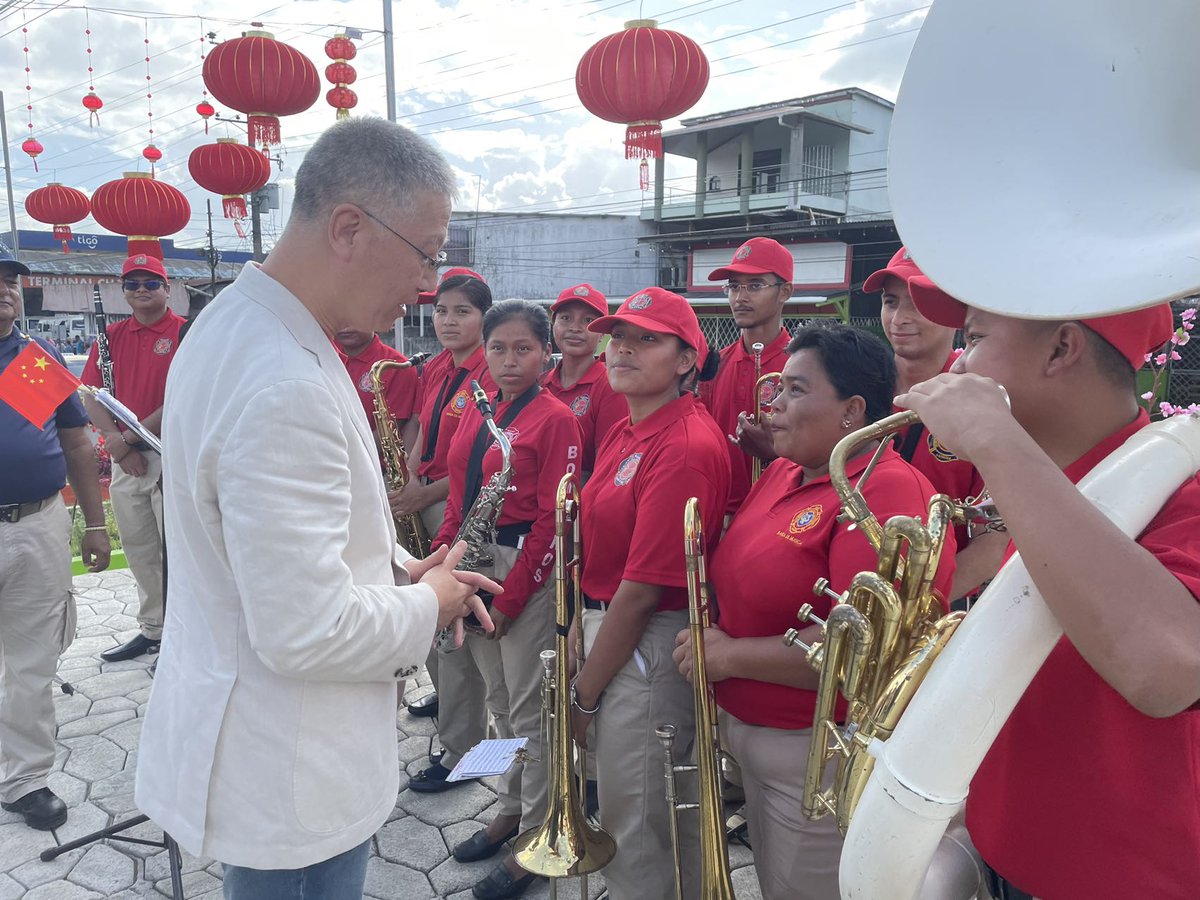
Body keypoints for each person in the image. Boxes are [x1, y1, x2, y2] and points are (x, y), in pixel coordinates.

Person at [134, 118, 499, 899]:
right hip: (294, 760)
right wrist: (427, 603)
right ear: (348, 228)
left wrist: (403, 568)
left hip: (269, 738)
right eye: (427, 253)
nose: (426, 285)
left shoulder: (235, 324)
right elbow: (307, 629)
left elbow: (267, 536)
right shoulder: (285, 382)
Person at [902, 277, 1198, 900]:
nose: (957, 363)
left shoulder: (1180, 493)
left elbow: (1168, 672)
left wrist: (996, 438)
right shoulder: (1050, 489)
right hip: (1011, 861)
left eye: (974, 339)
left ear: (1062, 350)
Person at [672, 324, 958, 900]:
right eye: (779, 389)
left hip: (819, 756)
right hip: (756, 738)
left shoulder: (888, 492)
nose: (774, 405)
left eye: (795, 391)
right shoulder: (788, 468)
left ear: (853, 410)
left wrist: (726, 654)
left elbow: (863, 651)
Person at [570, 287, 730, 900]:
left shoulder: (684, 445)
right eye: (619, 336)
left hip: (644, 644)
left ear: (688, 358)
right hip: (613, 631)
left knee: (636, 825)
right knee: (649, 813)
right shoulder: (630, 427)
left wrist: (584, 697)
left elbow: (639, 594)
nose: (623, 349)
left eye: (648, 339)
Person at [433, 299, 582, 900]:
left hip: (521, 568)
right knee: (498, 702)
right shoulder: (479, 407)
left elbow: (555, 518)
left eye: (523, 348)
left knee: (532, 712)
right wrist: (446, 552)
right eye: (498, 348)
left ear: (546, 353)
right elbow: (460, 489)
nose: (509, 360)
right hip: (472, 561)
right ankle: (509, 808)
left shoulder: (556, 417)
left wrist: (516, 597)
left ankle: (538, 835)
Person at [0, 244, 109, 831]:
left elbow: (75, 445)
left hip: (36, 527)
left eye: (11, 280)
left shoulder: (29, 361)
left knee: (32, 662)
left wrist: (94, 522)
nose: (5, 290)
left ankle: (24, 779)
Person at [865, 247, 1007, 601]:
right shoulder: (859, 385)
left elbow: (993, 542)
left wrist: (912, 611)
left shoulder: (984, 401)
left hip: (936, 604)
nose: (899, 318)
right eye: (891, 302)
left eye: (918, 303)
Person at [401, 272, 496, 765]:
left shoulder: (491, 369)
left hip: (458, 506)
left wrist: (422, 495)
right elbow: (422, 431)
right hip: (427, 498)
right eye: (441, 311)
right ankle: (451, 707)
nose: (448, 321)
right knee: (428, 614)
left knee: (454, 632)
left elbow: (476, 462)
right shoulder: (438, 366)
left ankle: (465, 748)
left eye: (462, 311)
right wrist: (409, 474)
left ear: (483, 316)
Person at [80, 254, 182, 663]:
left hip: (168, 456)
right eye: (133, 283)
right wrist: (115, 442)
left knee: (175, 550)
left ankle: (182, 630)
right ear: (123, 291)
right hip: (125, 458)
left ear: (167, 287)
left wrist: (131, 438)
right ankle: (153, 629)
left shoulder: (184, 332)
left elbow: (182, 396)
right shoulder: (110, 336)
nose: (141, 289)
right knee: (140, 547)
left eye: (151, 283)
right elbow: (90, 393)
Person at [702, 237, 794, 515]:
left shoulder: (801, 366)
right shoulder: (715, 362)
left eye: (755, 286)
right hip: (713, 511)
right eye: (733, 286)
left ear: (784, 292)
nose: (740, 298)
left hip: (776, 512)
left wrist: (774, 451)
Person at [540, 283, 626, 473]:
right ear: (553, 325)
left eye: (587, 320)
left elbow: (607, 465)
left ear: (603, 334)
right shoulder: (541, 383)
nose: (575, 328)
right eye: (566, 318)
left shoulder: (610, 386)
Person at [334, 327, 420, 441]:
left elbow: (388, 432)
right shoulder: (321, 352)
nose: (345, 325)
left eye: (354, 313)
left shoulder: (397, 366)